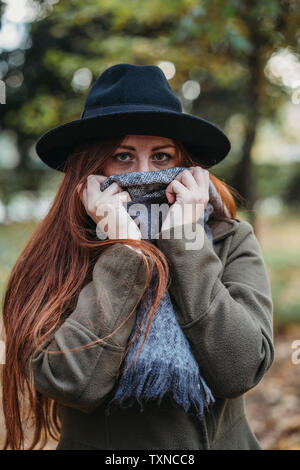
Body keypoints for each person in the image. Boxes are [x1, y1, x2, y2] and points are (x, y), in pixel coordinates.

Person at [1, 64, 274, 450]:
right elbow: (72, 382)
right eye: (123, 157)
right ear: (91, 169)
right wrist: (125, 254)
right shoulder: (57, 256)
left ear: (186, 168)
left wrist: (184, 239)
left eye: (161, 157)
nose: (144, 174)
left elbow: (242, 368)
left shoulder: (229, 240)